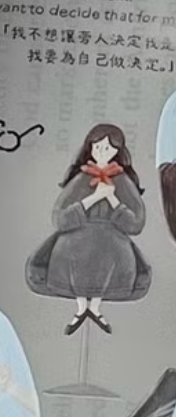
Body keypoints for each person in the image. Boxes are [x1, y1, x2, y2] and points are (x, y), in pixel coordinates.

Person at [26, 123, 151, 334]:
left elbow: (136, 223)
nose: (101, 152)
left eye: (107, 148)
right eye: (97, 146)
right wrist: (92, 199)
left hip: (112, 249)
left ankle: (95, 308)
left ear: (117, 152)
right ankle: (82, 307)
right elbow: (59, 218)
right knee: (77, 263)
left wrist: (112, 199)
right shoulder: (80, 179)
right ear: (89, 148)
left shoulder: (122, 181)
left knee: (106, 262)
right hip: (74, 246)